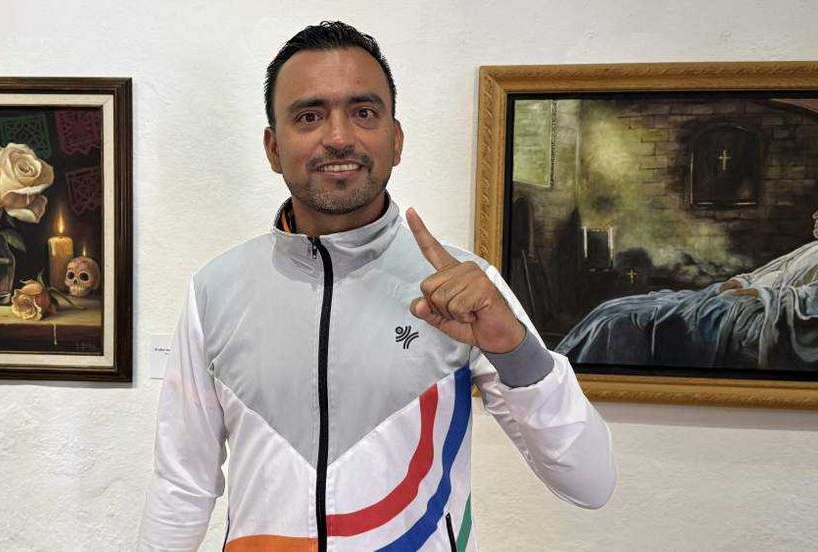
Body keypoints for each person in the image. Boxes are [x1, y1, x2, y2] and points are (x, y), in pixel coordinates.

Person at [140, 21, 615, 551]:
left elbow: (591, 482)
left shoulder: (465, 290)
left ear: (396, 139)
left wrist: (516, 350)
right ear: (274, 148)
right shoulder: (215, 290)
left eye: (363, 112)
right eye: (309, 115)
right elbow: (182, 485)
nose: (339, 136)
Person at [557, 209, 818, 371]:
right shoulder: (810, 248)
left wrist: (755, 294)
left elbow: (809, 302)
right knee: (615, 307)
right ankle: (561, 370)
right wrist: (741, 281)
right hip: (731, 296)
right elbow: (769, 272)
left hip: (748, 306)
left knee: (626, 321)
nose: (815, 215)